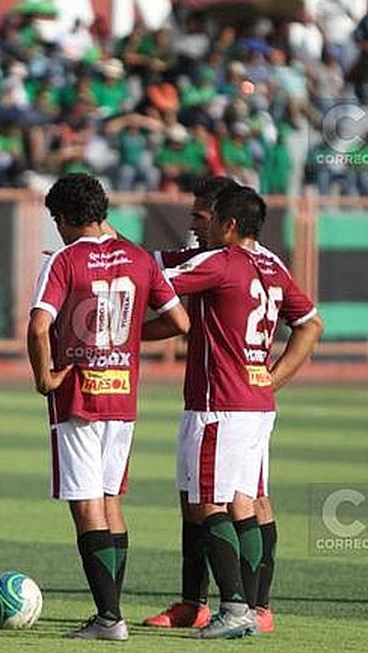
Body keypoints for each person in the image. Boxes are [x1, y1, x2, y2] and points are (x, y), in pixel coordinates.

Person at [144, 186, 324, 638]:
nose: (195, 227)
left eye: (204, 218)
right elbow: (311, 323)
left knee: (211, 503)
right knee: (238, 501)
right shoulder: (270, 266)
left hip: (220, 404)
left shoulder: (221, 261)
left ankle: (237, 606)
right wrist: (270, 378)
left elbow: (152, 278)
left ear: (226, 223)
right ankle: (242, 606)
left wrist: (91, 264)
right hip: (253, 404)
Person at [27, 173, 190, 641]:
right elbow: (178, 321)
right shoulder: (139, 257)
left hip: (79, 396)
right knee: (111, 500)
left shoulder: (64, 259)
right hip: (123, 394)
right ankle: (110, 613)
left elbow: (40, 326)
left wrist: (45, 376)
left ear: (63, 218)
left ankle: (108, 618)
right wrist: (127, 339)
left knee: (86, 505)